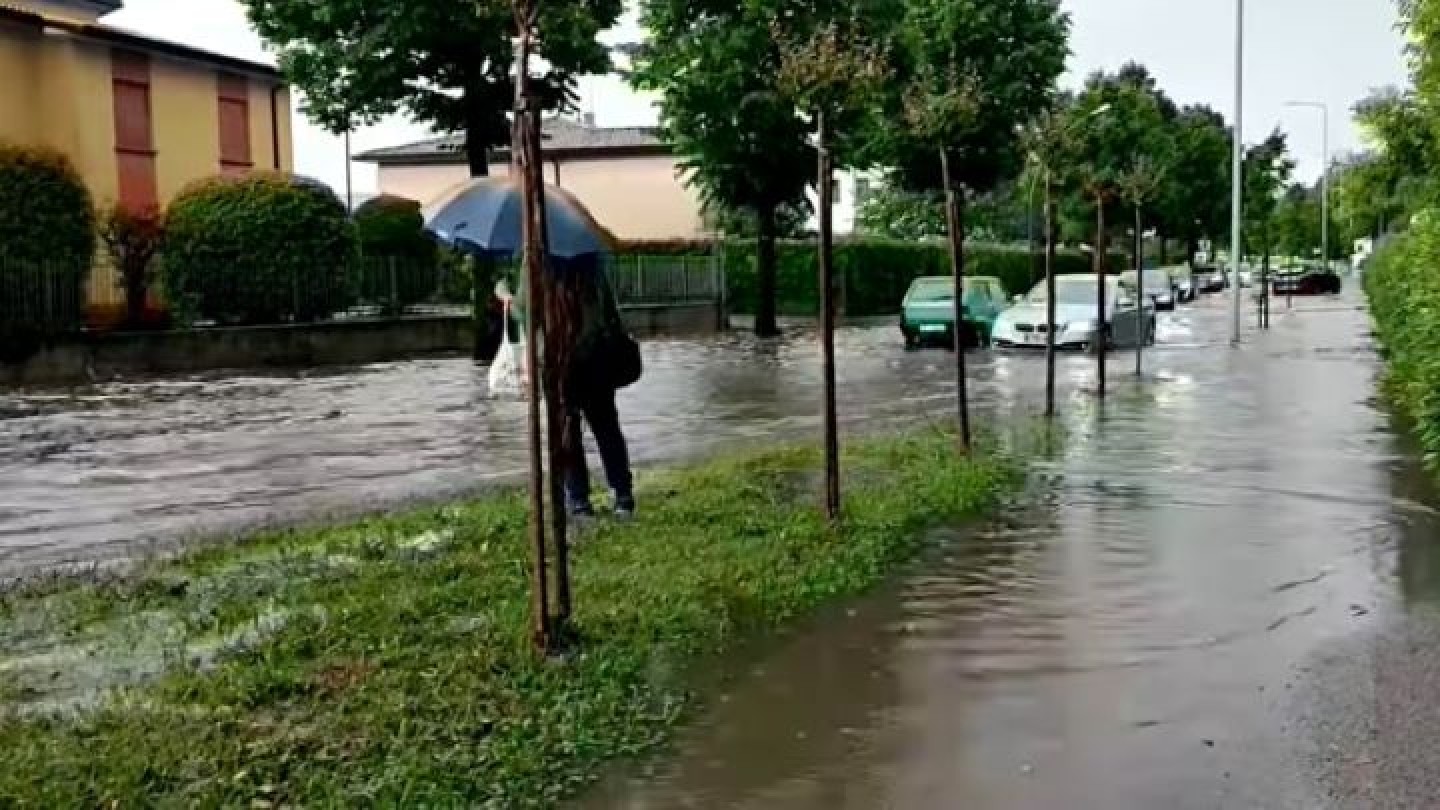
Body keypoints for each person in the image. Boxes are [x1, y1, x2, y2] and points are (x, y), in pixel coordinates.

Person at [561, 258, 636, 517]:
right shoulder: (591, 261)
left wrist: (506, 297)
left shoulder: (539, 263)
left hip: (564, 361)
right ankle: (622, 495)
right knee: (606, 428)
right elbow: (609, 313)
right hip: (595, 358)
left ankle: (579, 500)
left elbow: (525, 310)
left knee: (569, 433)